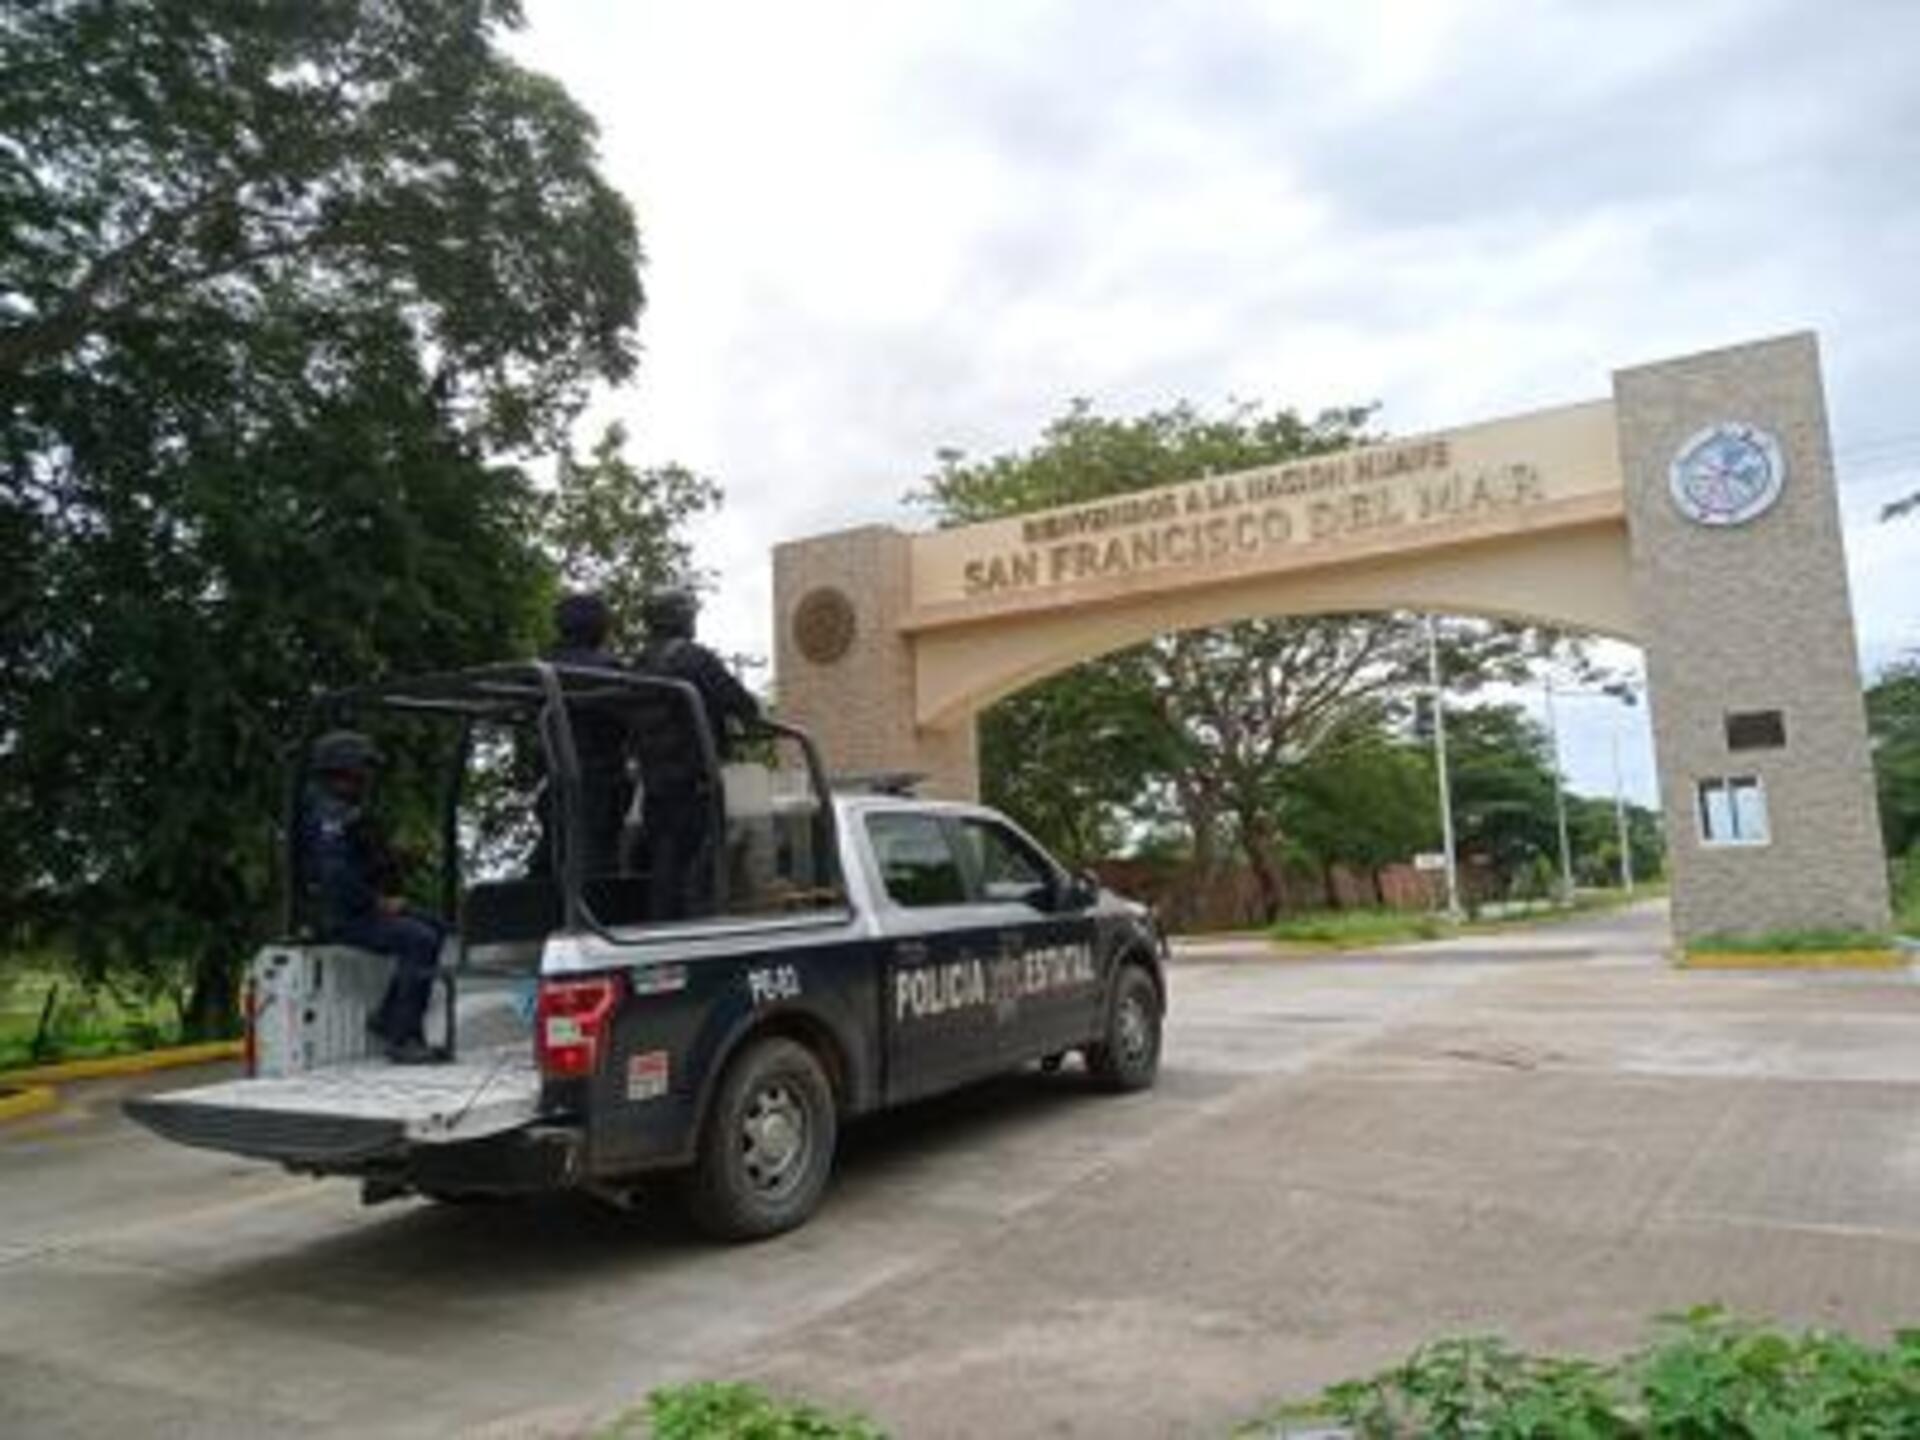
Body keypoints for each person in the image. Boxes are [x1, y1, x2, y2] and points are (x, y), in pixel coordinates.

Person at [298, 730, 448, 1065]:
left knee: (436, 927)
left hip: (355, 909)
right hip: (340, 916)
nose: (367, 778)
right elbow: (335, 877)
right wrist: (377, 903)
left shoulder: (341, 810)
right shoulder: (329, 817)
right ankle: (403, 1037)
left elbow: (362, 860)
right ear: (344, 769)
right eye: (363, 769)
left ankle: (389, 1018)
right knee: (419, 939)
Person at [630, 587, 762, 919]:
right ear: (681, 618)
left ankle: (661, 932)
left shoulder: (637, 665)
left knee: (664, 869)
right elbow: (743, 704)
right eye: (691, 613)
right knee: (700, 874)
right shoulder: (696, 660)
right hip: (695, 788)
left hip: (655, 789)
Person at [543, 591, 632, 877]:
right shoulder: (608, 670)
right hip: (599, 781)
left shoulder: (542, 666)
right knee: (598, 864)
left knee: (556, 850)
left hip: (554, 780)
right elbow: (630, 722)